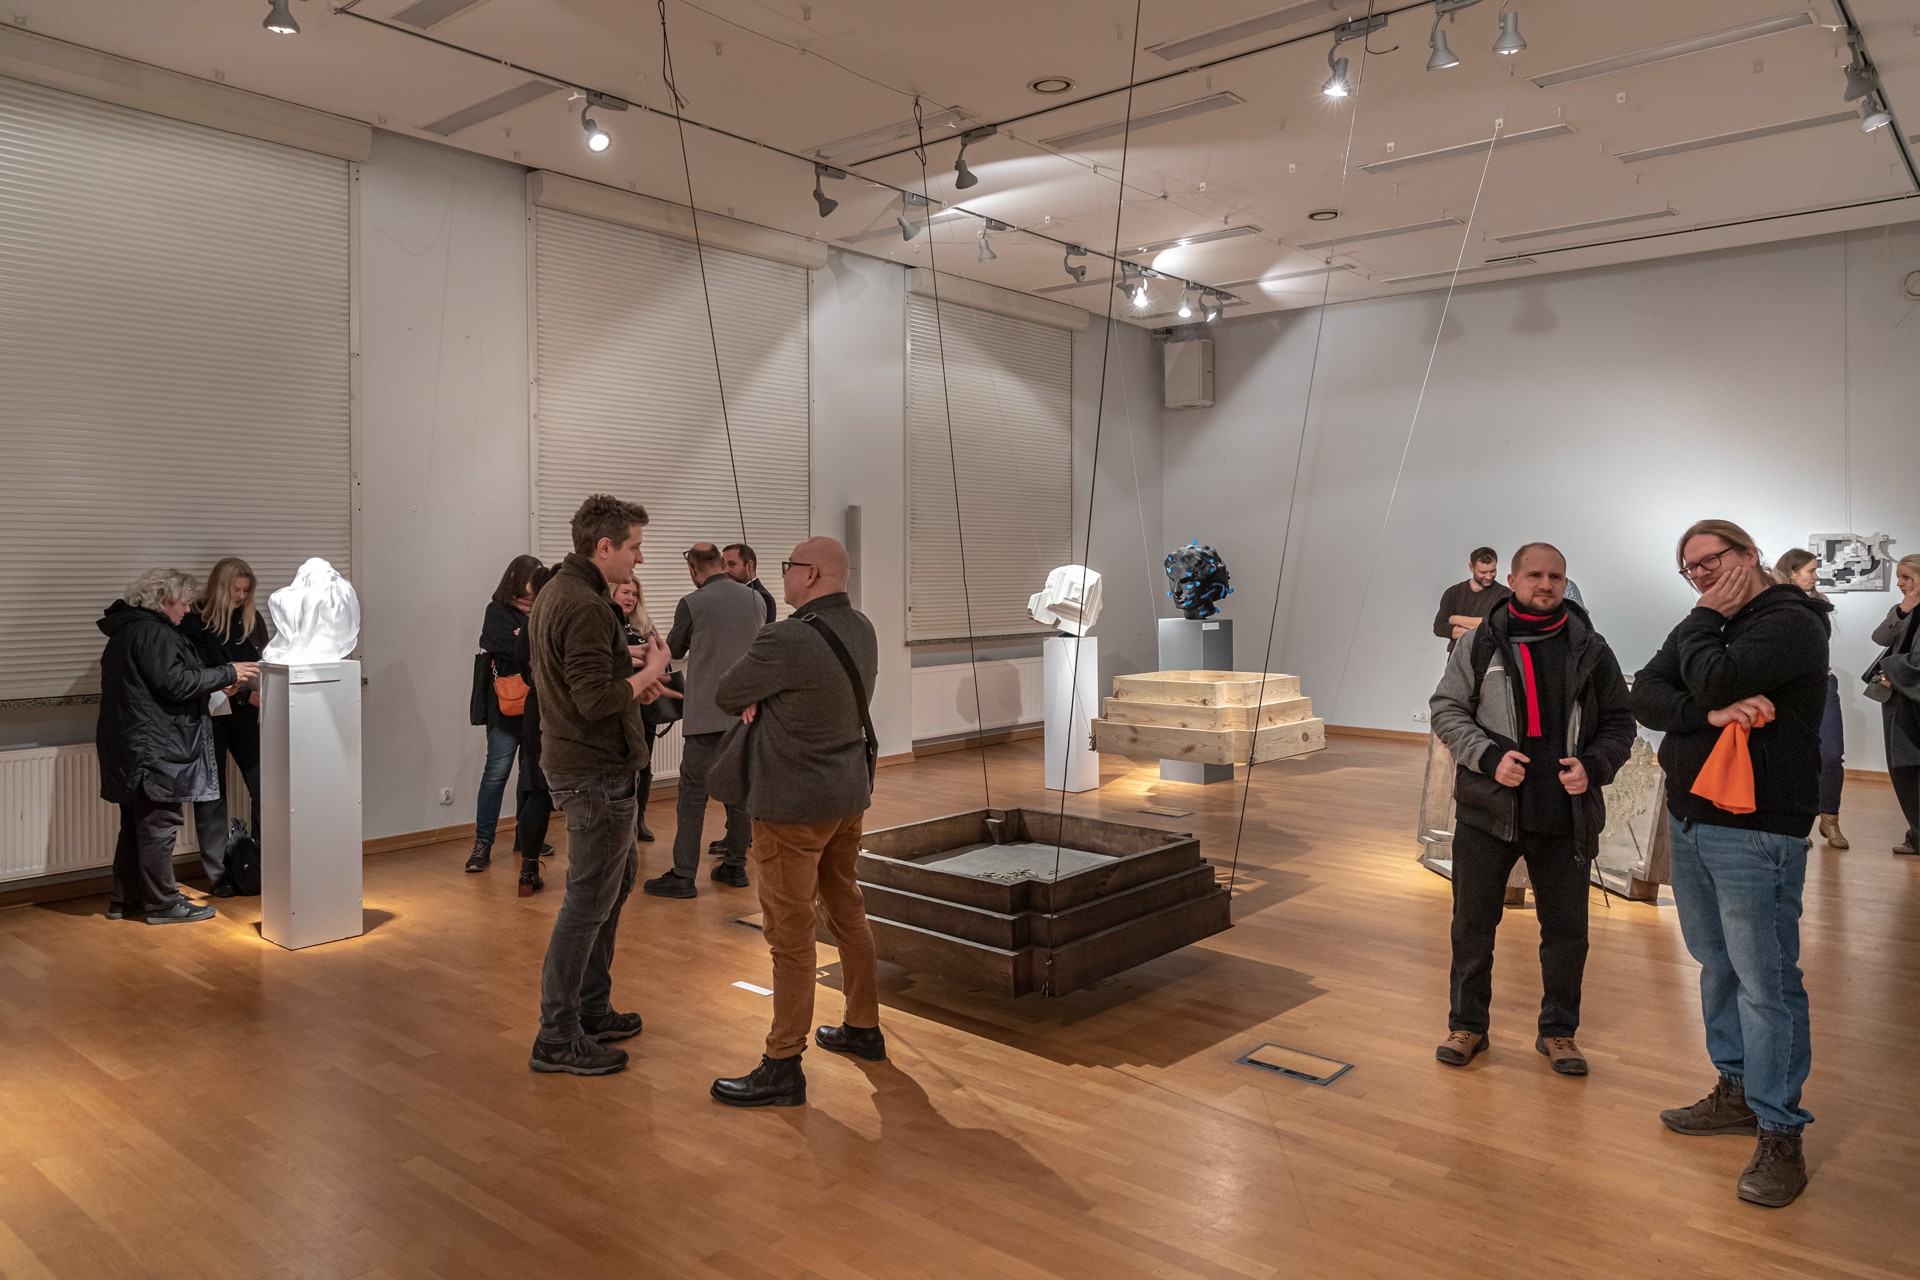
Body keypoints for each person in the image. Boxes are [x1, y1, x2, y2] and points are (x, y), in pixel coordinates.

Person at [1632, 519, 1830, 1209]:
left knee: (1765, 981)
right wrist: (1710, 717)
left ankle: (1781, 1129)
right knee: (1717, 964)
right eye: (1691, 568)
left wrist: (1700, 620)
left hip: (1757, 828)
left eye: (1711, 561)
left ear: (1750, 554)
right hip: (1691, 817)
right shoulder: (1712, 624)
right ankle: (1738, 1089)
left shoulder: (1791, 621)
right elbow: (1642, 694)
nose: (1702, 576)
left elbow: (1716, 676)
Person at [1428, 543, 1635, 1076]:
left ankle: (1559, 1032)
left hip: (1565, 813)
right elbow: (1446, 709)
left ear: (1565, 583)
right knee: (1472, 925)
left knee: (1566, 932)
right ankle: (1467, 1025)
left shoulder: (1591, 648)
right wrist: (1487, 756)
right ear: (1513, 580)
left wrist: (1594, 765)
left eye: (1556, 577)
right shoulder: (1479, 644)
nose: (1546, 584)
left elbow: (1620, 722)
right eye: (1535, 575)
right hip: (1489, 809)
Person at [709, 537, 882, 1108]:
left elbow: (727, 692)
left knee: (790, 936)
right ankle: (863, 1027)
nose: (782, 575)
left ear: (809, 575)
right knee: (847, 910)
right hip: (847, 795)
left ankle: (782, 1063)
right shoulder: (863, 628)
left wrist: (760, 699)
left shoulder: (785, 638)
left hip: (792, 808)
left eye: (788, 566)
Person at [527, 494, 674, 1077]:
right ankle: (557, 1035)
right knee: (587, 903)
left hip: (588, 765)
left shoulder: (562, 592)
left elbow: (577, 677)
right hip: (593, 769)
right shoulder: (585, 604)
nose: (640, 559)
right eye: (635, 547)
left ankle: (590, 1008)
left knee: (616, 883)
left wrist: (628, 666)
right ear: (605, 546)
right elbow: (592, 701)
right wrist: (650, 671)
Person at [96, 569, 260, 925]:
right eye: (183, 603)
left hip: (131, 743)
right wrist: (229, 672)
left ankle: (126, 900)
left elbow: (164, 682)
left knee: (136, 825)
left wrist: (214, 681)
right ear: (162, 600)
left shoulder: (128, 630)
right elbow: (175, 683)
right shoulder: (154, 632)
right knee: (159, 824)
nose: (187, 610)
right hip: (154, 745)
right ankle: (163, 904)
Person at [645, 543, 767, 899]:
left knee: (692, 797)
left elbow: (674, 650)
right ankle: (736, 866)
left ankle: (683, 875)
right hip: (745, 715)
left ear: (694, 569)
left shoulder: (692, 603)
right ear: (720, 564)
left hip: (705, 717)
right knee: (739, 793)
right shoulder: (757, 600)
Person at [181, 557, 271, 896]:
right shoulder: (195, 621)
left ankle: (261, 863)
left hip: (247, 713)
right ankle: (219, 875)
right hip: (210, 716)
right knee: (212, 795)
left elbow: (264, 664)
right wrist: (224, 684)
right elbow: (191, 672)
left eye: (247, 591)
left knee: (265, 786)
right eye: (236, 590)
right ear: (220, 587)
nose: (241, 596)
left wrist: (255, 689)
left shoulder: (251, 619)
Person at [468, 555, 541, 874]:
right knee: (496, 773)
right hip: (505, 705)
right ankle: (482, 842)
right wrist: (524, 640)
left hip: (535, 704)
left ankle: (527, 838)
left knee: (531, 774)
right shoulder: (496, 610)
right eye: (532, 580)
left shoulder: (541, 610)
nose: (535, 587)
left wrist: (520, 637)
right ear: (517, 579)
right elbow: (500, 646)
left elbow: (541, 648)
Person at [1774, 549, 1848, 849]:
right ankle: (1794, 824)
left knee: (1831, 754)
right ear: (1792, 573)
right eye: (1811, 571)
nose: (1816, 577)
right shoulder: (1772, 603)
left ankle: (1830, 818)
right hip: (1787, 688)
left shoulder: (1819, 604)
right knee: (1791, 755)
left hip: (1822, 683)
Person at [512, 565, 560, 897]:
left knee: (536, 790)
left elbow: (524, 669)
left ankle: (528, 871)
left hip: (536, 708)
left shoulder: (531, 625)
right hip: (559, 709)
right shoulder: (564, 620)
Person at [1869, 553, 1920, 855]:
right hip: (1898, 700)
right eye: (1899, 577)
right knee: (1902, 768)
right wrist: (1903, 610)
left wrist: (1890, 670)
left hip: (1911, 694)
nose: (1900, 583)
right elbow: (1879, 637)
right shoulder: (1902, 609)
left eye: (1906, 577)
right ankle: (1916, 835)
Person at [611, 576, 661, 842]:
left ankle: (639, 819)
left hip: (646, 706)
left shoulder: (645, 625)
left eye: (634, 594)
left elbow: (659, 661)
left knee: (644, 763)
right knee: (620, 765)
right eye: (625, 592)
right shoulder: (605, 623)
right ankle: (620, 822)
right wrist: (630, 656)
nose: (630, 598)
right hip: (617, 706)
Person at [1433, 547, 1510, 649]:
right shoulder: (1454, 593)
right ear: (1471, 567)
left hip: (1490, 656)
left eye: (1492, 571)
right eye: (1483, 572)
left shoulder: (1505, 595)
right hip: (1457, 655)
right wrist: (1480, 630)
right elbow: (1439, 627)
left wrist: (1455, 619)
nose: (1488, 576)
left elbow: (1498, 626)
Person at [723, 542, 777, 624]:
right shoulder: (732, 594)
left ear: (749, 565)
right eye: (724, 566)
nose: (726, 570)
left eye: (732, 564)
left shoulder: (762, 597)